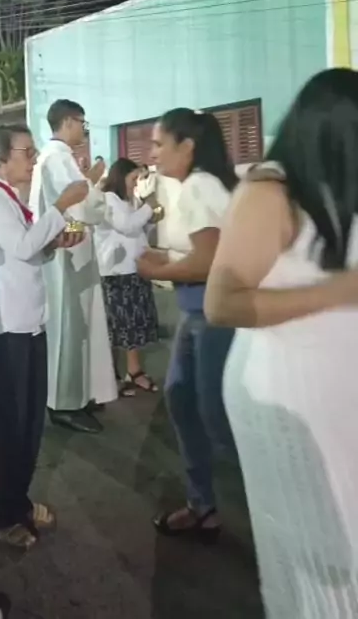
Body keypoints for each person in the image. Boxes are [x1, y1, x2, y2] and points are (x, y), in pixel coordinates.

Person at [205, 68, 358, 618]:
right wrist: (336, 292)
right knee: (322, 542)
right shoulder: (270, 193)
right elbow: (222, 303)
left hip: (339, 389)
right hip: (293, 391)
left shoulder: (340, 186)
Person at [0, 124, 88, 550]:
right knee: (7, 426)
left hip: (26, 321)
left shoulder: (10, 198)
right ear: (1, 157)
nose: (34, 159)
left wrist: (53, 243)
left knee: (28, 422)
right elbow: (20, 247)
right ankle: (1, 516)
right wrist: (61, 205)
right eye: (27, 151)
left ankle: (15, 500)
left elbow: (27, 250)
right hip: (3, 328)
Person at [137, 109, 237, 541]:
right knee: (181, 398)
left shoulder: (198, 186)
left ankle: (283, 511)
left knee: (219, 420)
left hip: (212, 315)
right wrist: (171, 259)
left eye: (160, 144)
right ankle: (202, 504)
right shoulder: (203, 185)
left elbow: (210, 262)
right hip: (200, 311)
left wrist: (157, 270)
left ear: (188, 147)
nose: (152, 153)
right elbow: (205, 252)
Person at [29, 99, 117, 433]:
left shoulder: (52, 157)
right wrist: (95, 183)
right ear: (68, 122)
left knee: (79, 326)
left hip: (69, 249)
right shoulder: (58, 158)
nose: (84, 130)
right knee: (69, 327)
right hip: (67, 251)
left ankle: (80, 393)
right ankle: (65, 403)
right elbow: (84, 206)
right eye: (82, 123)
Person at [95, 158, 161, 395]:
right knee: (118, 326)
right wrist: (148, 207)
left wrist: (151, 219)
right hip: (117, 273)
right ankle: (111, 377)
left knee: (134, 326)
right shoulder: (108, 199)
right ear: (120, 177)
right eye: (133, 179)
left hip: (135, 268)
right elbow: (126, 225)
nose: (135, 184)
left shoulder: (131, 200)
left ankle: (134, 372)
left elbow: (139, 229)